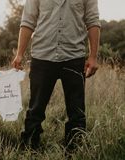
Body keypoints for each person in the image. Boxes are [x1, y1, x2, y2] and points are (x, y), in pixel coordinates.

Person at [12, 0, 101, 153]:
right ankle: (29, 149)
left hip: (74, 56)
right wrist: (19, 53)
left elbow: (93, 21)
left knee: (77, 112)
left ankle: (75, 151)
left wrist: (93, 56)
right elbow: (28, 21)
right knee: (35, 109)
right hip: (42, 55)